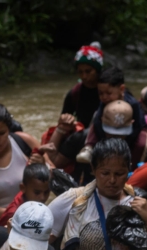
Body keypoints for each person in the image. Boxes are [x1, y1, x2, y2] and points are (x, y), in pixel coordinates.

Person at [45, 43, 104, 172]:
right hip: (81, 136)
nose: (84, 76)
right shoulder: (75, 93)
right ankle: (53, 168)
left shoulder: (108, 88)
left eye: (88, 71)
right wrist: (66, 120)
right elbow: (63, 117)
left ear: (98, 70)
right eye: (80, 72)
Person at [0, 163, 51, 227]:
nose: (42, 197)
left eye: (46, 192)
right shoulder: (13, 214)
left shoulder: (30, 195)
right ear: (23, 188)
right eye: (37, 192)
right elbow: (0, 232)